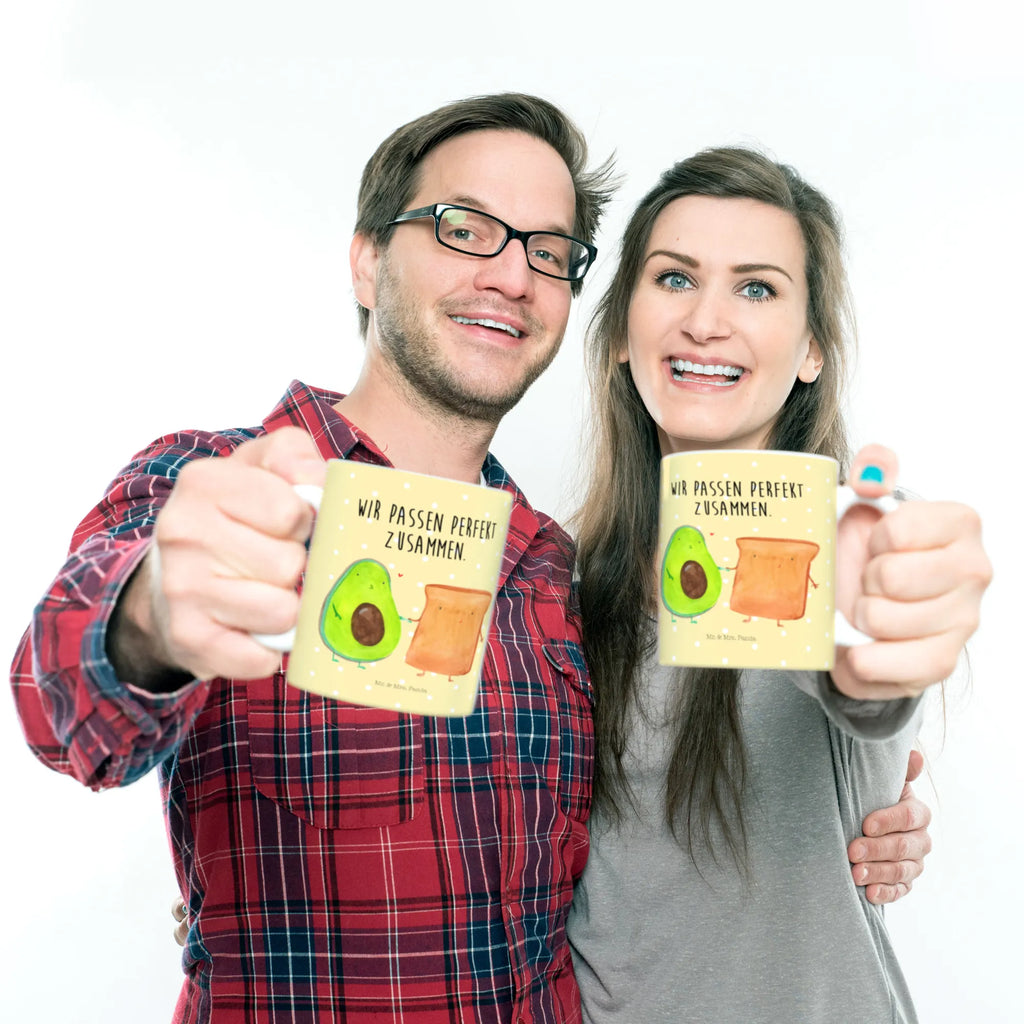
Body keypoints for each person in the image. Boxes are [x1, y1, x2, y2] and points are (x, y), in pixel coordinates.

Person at [12, 94, 939, 1024]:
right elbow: (62, 706)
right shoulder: (216, 488)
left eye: (547, 251)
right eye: (465, 228)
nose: (510, 274)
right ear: (367, 260)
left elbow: (830, 692)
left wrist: (869, 764)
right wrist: (152, 618)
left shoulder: (554, 574)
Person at [566, 147, 992, 1022]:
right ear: (618, 333)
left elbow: (866, 682)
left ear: (811, 351)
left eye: (756, 288)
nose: (706, 322)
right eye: (675, 279)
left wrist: (883, 640)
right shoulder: (563, 584)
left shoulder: (849, 544)